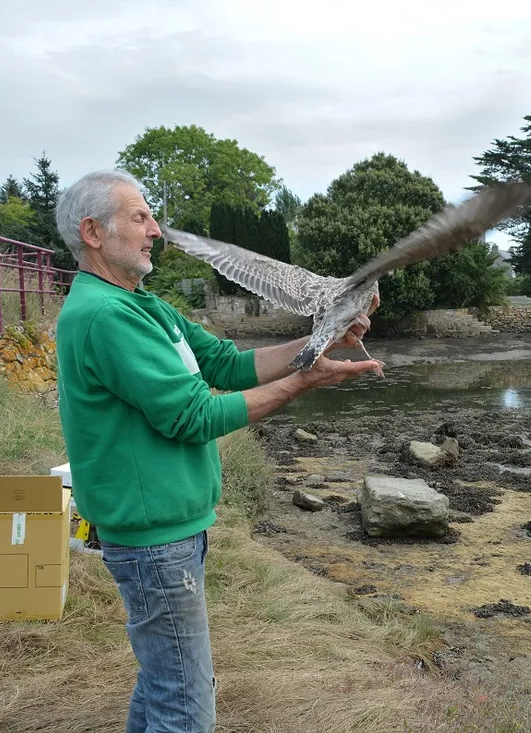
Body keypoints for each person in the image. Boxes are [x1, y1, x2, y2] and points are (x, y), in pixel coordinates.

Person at [53, 169, 381, 733]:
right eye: (140, 217)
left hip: (171, 528)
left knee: (165, 681)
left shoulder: (142, 306)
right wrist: (302, 382)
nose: (156, 229)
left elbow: (227, 364)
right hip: (154, 539)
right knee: (185, 702)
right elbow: (193, 415)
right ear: (92, 232)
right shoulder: (105, 317)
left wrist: (321, 340)